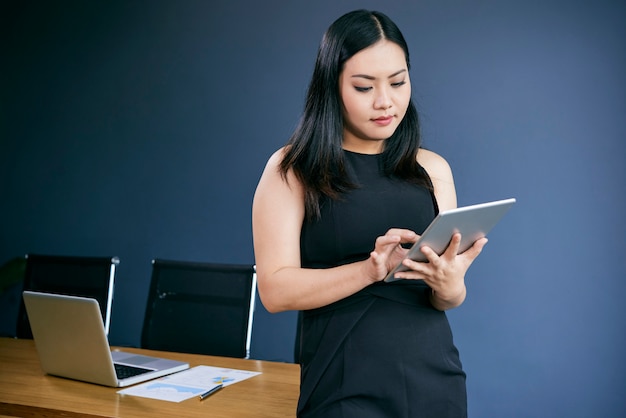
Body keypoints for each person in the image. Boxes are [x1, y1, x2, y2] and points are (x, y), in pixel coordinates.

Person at [252, 9, 487, 418]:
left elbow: (448, 299)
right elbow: (274, 291)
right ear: (332, 87)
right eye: (364, 87)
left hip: (436, 382)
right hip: (343, 385)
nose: (386, 101)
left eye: (398, 82)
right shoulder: (292, 169)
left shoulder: (432, 168)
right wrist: (369, 270)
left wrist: (449, 283)